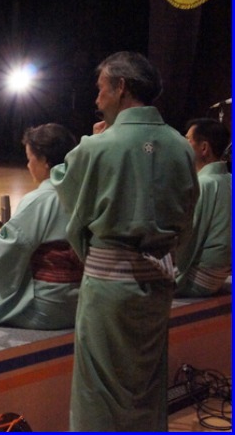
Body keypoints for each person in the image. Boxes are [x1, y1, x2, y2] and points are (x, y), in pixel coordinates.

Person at [50, 51, 199, 431]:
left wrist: (91, 140)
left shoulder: (96, 146)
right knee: (147, 380)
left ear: (121, 87)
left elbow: (66, 188)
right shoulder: (182, 146)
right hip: (159, 281)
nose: (96, 99)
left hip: (109, 284)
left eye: (101, 89)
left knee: (98, 385)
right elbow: (186, 217)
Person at [0, 123, 83, 329]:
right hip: (81, 297)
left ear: (44, 161)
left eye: (30, 159)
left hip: (49, 304)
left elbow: (1, 254)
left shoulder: (39, 200)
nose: (28, 166)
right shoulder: (83, 193)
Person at [175, 118, 231, 296]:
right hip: (220, 273)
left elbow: (189, 239)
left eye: (188, 139)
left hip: (200, 279)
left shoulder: (204, 183)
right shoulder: (229, 179)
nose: (183, 144)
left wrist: (172, 274)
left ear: (204, 148)